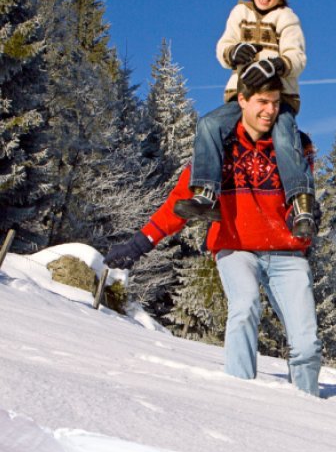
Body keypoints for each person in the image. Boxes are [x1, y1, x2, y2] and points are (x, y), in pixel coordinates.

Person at [104, 77, 322, 396]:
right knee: (245, 305)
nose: (270, 110)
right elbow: (179, 202)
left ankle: (307, 405)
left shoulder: (296, 145)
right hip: (236, 250)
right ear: (240, 102)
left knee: (306, 343)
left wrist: (307, 215)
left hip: (287, 253)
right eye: (261, 101)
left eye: (275, 103)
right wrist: (139, 245)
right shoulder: (215, 148)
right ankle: (240, 395)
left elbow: (302, 197)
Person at [175, 0, 315, 239]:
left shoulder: (286, 18)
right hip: (243, 96)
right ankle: (205, 193)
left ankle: (301, 205)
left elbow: (297, 57)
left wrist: (276, 63)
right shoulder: (240, 13)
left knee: (285, 136)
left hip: (279, 99)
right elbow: (223, 46)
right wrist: (233, 53)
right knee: (209, 124)